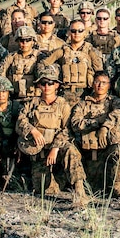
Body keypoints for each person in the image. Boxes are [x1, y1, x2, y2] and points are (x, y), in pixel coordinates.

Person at [16, 66, 88, 205]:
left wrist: (55, 148)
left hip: (58, 147)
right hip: (39, 150)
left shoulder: (63, 104)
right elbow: (20, 120)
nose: (47, 86)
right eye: (43, 83)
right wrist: (33, 130)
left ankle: (80, 192)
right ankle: (61, 181)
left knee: (71, 151)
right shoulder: (32, 103)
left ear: (56, 85)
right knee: (45, 190)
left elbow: (67, 129)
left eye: (50, 83)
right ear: (38, 85)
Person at [70, 71, 120, 198]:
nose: (100, 85)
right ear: (92, 84)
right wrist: (97, 123)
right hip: (87, 153)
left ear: (109, 85)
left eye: (104, 83)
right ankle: (79, 189)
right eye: (97, 82)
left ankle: (118, 186)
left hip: (106, 151)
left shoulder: (115, 102)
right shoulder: (82, 103)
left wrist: (105, 127)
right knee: (70, 148)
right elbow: (76, 123)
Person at [41, 20, 104, 105]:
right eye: (73, 31)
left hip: (85, 93)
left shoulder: (91, 51)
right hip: (65, 93)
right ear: (69, 33)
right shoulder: (62, 51)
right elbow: (44, 64)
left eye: (80, 31)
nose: (77, 33)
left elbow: (100, 73)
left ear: (84, 32)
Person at [0, 25, 41, 99]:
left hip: (34, 98)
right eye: (21, 40)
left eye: (28, 40)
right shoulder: (11, 57)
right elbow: (0, 75)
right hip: (13, 97)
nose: (25, 43)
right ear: (17, 41)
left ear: (33, 41)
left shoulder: (39, 57)